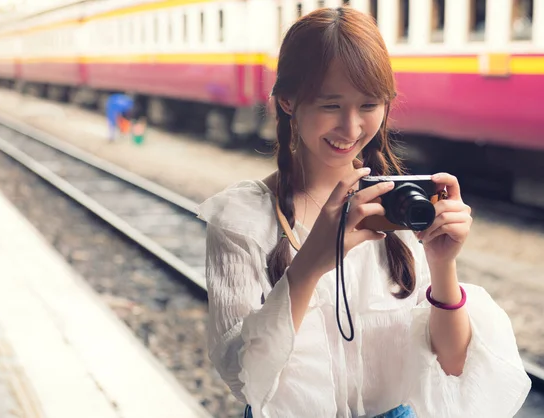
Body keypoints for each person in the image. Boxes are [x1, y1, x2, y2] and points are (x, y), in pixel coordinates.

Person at [196, 6, 531, 418]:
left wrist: (443, 266)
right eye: (330, 105)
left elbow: (453, 366)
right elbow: (241, 377)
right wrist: (311, 265)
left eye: (369, 105)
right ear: (287, 101)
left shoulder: (401, 208)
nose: (351, 129)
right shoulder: (242, 220)